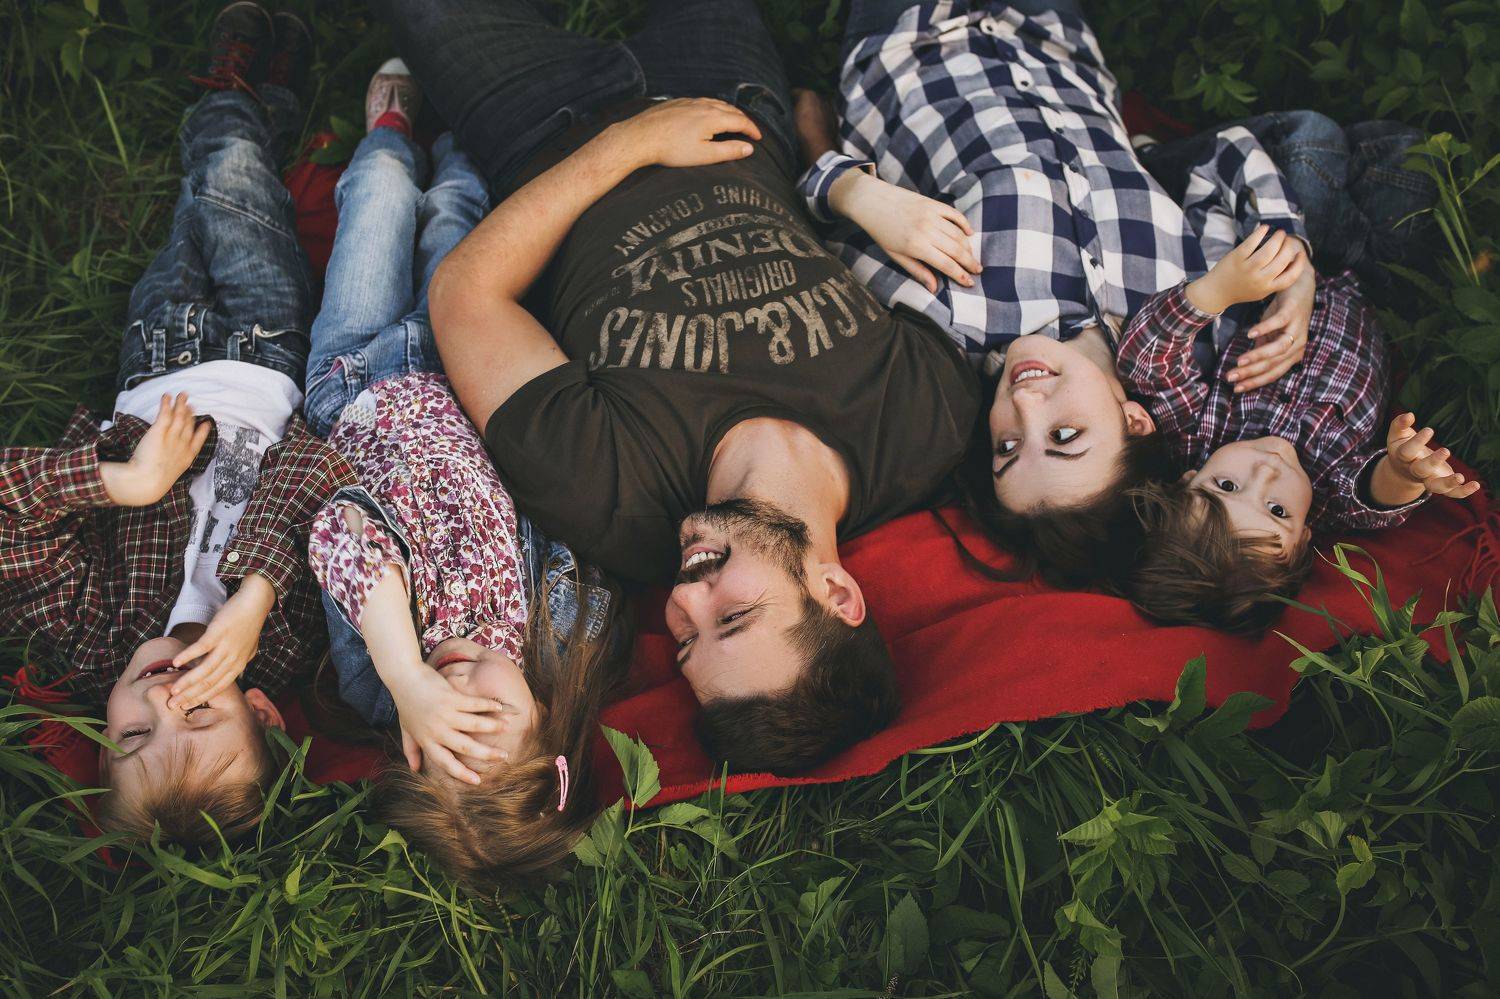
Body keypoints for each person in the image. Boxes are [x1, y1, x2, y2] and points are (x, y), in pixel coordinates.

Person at [371, 0, 981, 774]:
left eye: (688, 641)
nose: (684, 601)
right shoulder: (926, 421)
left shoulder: (611, 498)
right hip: (732, 96)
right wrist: (837, 171)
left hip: (544, 126)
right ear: (837, 592)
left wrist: (626, 148)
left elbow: (465, 296)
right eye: (735, 615)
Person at [792, 0, 1315, 589]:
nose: (1025, 404)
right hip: (1052, 35)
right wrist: (1294, 264)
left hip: (909, 40)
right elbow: (1225, 154)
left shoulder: (948, 318)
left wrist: (853, 189)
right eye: (1065, 437)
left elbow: (815, 230)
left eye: (1007, 446)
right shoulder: (1195, 322)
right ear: (1134, 421)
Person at [0, 4, 352, 842]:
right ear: (260, 712)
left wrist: (124, 484)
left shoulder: (91, 639)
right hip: (266, 350)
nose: (160, 698)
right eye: (196, 713)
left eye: (132, 734)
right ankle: (235, 98)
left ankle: (261, 96)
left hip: (154, 358)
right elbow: (318, 464)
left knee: (200, 211)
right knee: (229, 181)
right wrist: (256, 593)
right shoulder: (285, 639)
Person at [301, 60, 629, 890]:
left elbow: (340, 528)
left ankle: (390, 132)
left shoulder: (378, 671)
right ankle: (461, 115)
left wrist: (405, 675)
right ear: (547, 721)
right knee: (456, 211)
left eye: (437, 734)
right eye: (488, 711)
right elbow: (587, 508)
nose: (456, 691)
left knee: (377, 199)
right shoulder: (562, 633)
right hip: (459, 357)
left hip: (355, 378)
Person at [1117, 225, 1477, 633]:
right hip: (1382, 283)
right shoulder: (1325, 498)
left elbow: (1145, 365)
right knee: (1419, 221)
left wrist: (1213, 292)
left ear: (1188, 479)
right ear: (1304, 539)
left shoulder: (1196, 436)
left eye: (1226, 486)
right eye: (1277, 511)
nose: (1266, 472)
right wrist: (1403, 472)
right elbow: (1372, 498)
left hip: (1306, 246)